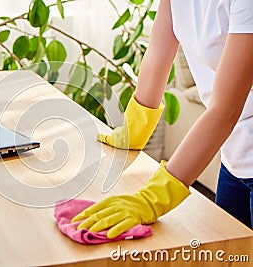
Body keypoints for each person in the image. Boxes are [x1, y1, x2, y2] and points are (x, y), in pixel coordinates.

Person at [71, 0, 253, 238]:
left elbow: (225, 110)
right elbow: (158, 53)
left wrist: (152, 198)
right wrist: (134, 129)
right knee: (230, 255)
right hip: (234, 158)